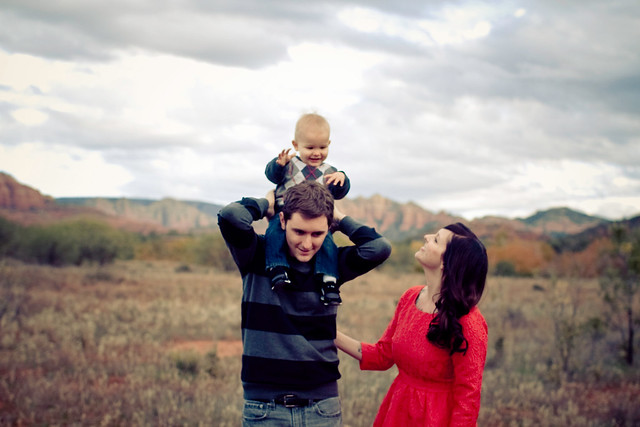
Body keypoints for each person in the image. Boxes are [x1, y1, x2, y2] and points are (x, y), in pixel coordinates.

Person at [218, 180, 391, 427]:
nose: (307, 244)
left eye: (317, 233)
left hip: (321, 408)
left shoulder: (332, 266)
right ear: (283, 221)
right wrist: (266, 203)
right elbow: (230, 216)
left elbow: (379, 248)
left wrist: (339, 219)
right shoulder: (255, 255)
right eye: (299, 231)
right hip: (265, 408)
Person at [335, 223, 488, 426]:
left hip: (436, 419)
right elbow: (382, 355)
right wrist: (328, 332)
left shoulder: (469, 322)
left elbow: (468, 399)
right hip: (398, 411)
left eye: (436, 240)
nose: (426, 236)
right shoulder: (410, 297)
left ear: (447, 262)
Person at [264, 112, 350, 305]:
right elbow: (272, 176)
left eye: (322, 147)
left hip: (319, 218)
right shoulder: (289, 165)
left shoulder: (330, 171)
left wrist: (342, 179)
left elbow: (339, 191)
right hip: (287, 213)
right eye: (310, 147)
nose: (316, 153)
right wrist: (278, 165)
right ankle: (277, 268)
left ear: (329, 143)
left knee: (327, 243)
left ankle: (329, 281)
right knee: (274, 232)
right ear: (296, 145)